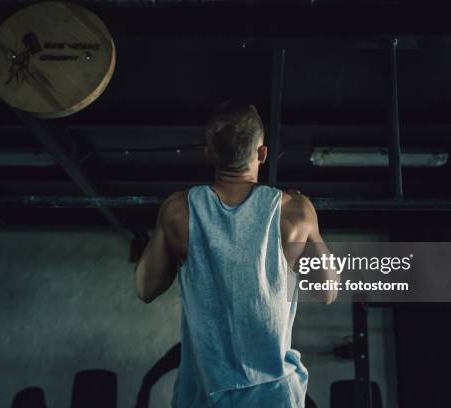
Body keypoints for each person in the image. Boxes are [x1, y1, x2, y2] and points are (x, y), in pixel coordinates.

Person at [134, 102, 337, 407]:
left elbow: (144, 289)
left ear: (208, 153)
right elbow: (328, 291)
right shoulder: (294, 211)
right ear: (263, 154)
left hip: (204, 396)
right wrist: (310, 225)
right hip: (274, 397)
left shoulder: (178, 210)